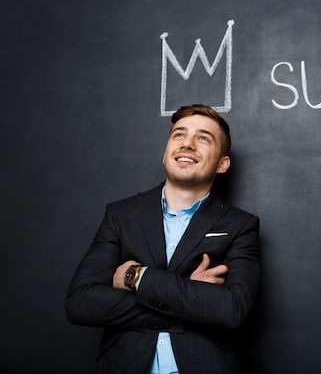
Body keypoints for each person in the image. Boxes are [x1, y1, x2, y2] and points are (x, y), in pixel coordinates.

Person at [66, 104, 260, 374]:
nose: (188, 144)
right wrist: (191, 297)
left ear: (222, 163)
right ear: (166, 151)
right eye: (178, 135)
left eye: (203, 138)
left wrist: (138, 276)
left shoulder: (240, 225)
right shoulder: (121, 215)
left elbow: (232, 310)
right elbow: (81, 303)